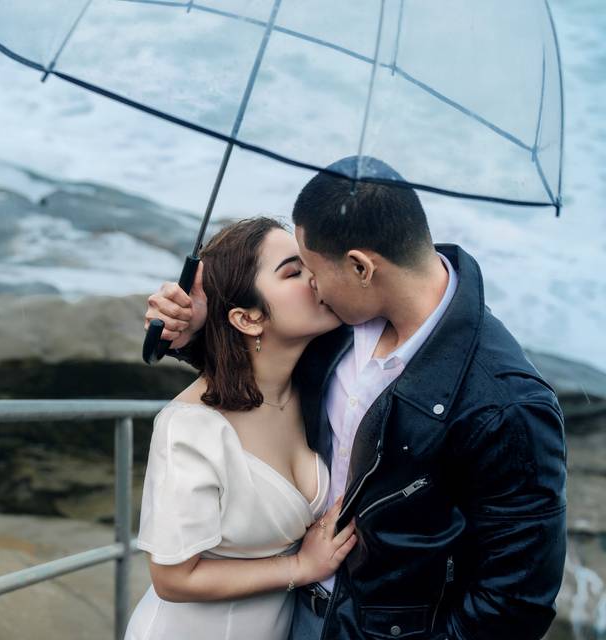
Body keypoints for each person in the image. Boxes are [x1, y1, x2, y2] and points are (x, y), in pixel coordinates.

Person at [144, 156, 568, 640]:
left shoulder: (506, 403)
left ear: (361, 267)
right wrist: (194, 328)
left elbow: (515, 601)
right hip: (290, 614)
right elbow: (255, 368)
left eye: (313, 270)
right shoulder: (334, 328)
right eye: (296, 271)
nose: (314, 286)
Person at [126, 216, 357, 640]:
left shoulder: (310, 386)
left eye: (311, 263)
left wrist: (196, 331)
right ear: (248, 319)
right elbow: (172, 579)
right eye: (293, 271)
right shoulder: (191, 429)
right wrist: (300, 567)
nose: (316, 277)